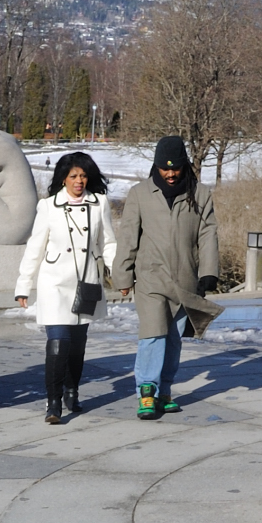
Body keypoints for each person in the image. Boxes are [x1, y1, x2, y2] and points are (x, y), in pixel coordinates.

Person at [112, 137, 220, 419]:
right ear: (156, 166)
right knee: (153, 334)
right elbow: (128, 237)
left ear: (184, 165)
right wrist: (122, 276)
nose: (170, 174)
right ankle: (146, 392)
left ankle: (165, 391)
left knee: (173, 338)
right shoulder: (140, 194)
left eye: (175, 168)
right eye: (165, 168)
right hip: (151, 278)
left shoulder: (200, 194)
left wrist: (209, 272)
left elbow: (207, 234)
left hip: (185, 280)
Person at [15, 152, 119, 424]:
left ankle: (72, 391)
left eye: (83, 176)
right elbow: (35, 247)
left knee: (77, 345)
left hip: (86, 282)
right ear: (63, 178)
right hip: (54, 283)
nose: (79, 181)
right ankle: (53, 402)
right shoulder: (48, 206)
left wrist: (119, 275)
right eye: (73, 176)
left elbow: (108, 243)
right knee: (58, 342)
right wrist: (23, 284)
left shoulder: (99, 203)